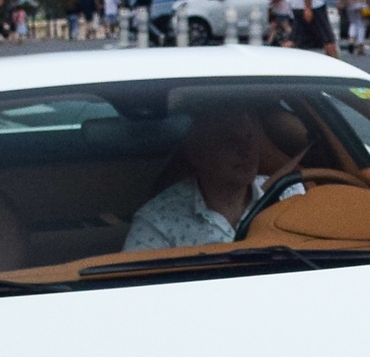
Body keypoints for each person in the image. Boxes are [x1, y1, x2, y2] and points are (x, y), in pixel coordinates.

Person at [122, 103, 296, 252]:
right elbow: (133, 287)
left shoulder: (289, 193)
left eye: (249, 137)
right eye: (230, 140)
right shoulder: (158, 222)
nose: (246, 149)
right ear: (197, 154)